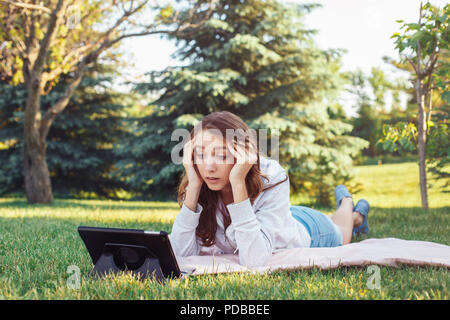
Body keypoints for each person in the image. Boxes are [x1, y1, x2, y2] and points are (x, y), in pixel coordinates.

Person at [169, 111, 370, 267]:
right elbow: (180, 253)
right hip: (279, 217)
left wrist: (238, 181)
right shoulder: (200, 178)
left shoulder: (272, 175)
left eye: (221, 155)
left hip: (308, 229)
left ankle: (348, 203)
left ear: (242, 153)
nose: (209, 167)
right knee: (337, 221)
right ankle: (357, 215)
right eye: (201, 155)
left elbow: (254, 260)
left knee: (342, 234)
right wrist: (193, 186)